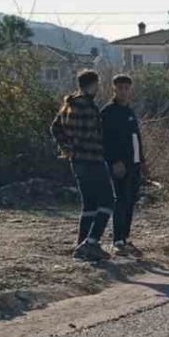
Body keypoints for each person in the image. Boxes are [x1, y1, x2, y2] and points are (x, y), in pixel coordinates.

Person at [51, 69, 113, 262]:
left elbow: (55, 128)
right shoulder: (87, 106)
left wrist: (67, 147)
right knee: (108, 201)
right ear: (93, 84)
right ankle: (91, 242)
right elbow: (91, 134)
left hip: (77, 160)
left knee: (89, 204)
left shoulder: (68, 105)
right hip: (92, 159)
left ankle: (81, 244)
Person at [101, 74, 146, 257]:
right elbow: (105, 140)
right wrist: (114, 161)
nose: (124, 91)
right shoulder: (108, 112)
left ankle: (125, 238)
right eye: (120, 88)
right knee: (120, 200)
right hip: (119, 165)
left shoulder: (129, 111)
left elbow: (136, 138)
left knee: (130, 200)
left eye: (127, 88)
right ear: (114, 89)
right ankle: (118, 240)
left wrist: (142, 160)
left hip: (134, 163)